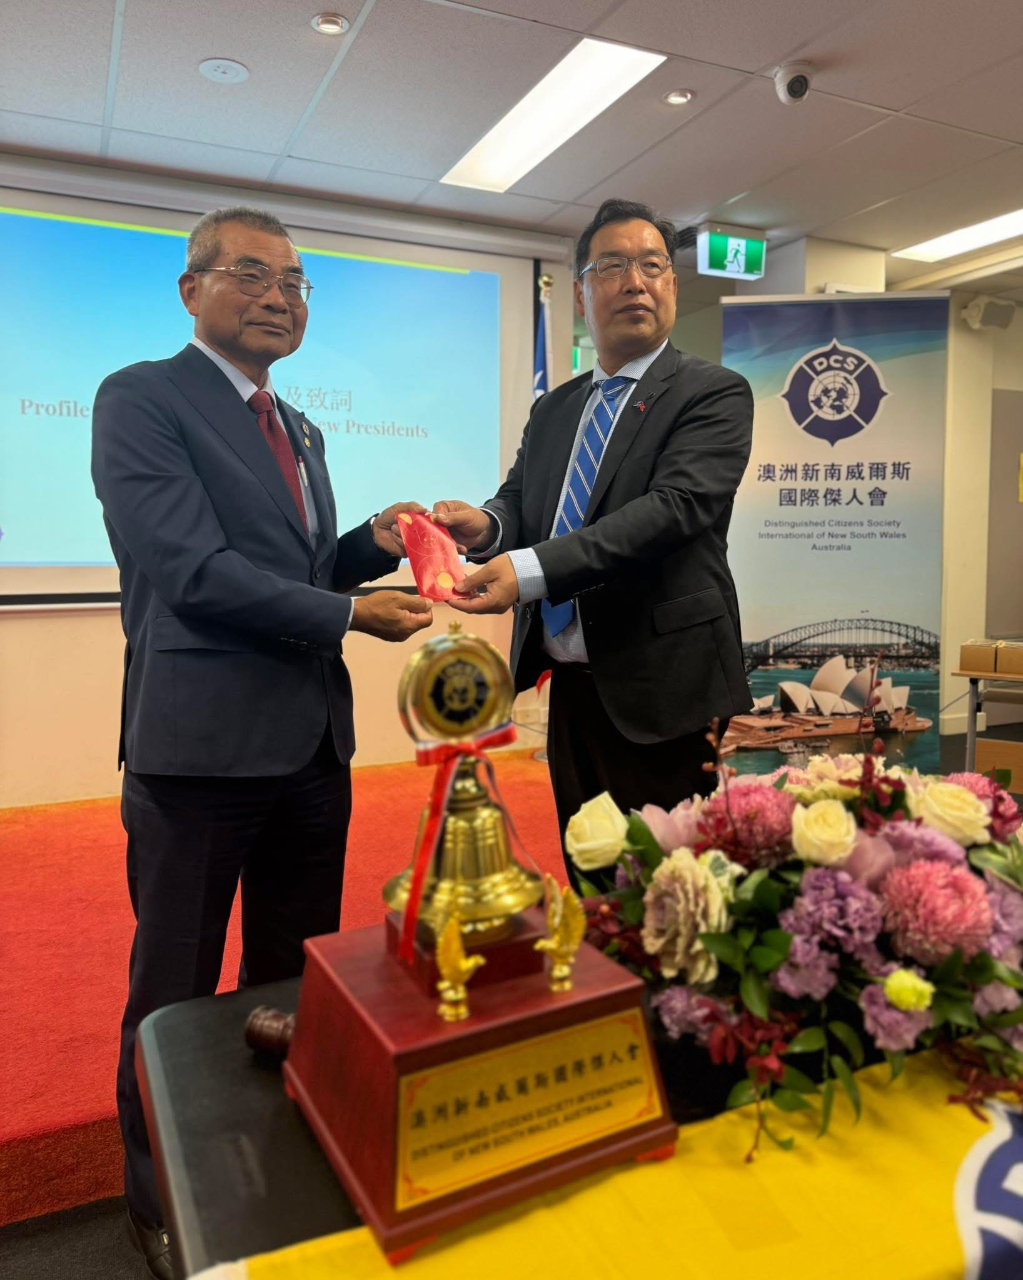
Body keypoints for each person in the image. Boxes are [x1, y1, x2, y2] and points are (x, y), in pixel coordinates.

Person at [91, 206, 432, 1278]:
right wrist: (348, 615)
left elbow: (297, 570)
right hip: (196, 753)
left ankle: (277, 1174)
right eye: (251, 273)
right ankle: (158, 1200)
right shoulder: (140, 398)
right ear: (191, 289)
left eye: (294, 281)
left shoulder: (303, 428)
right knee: (175, 993)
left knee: (290, 985)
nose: (279, 295)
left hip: (309, 749)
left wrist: (366, 546)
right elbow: (192, 569)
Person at [434, 198, 753, 885]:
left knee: (669, 891)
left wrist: (525, 570)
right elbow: (523, 500)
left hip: (666, 686)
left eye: (652, 266)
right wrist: (486, 527)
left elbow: (670, 512)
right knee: (588, 871)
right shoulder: (556, 406)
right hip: (573, 686)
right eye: (612, 266)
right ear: (581, 293)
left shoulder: (713, 393)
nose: (635, 282)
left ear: (672, 285)